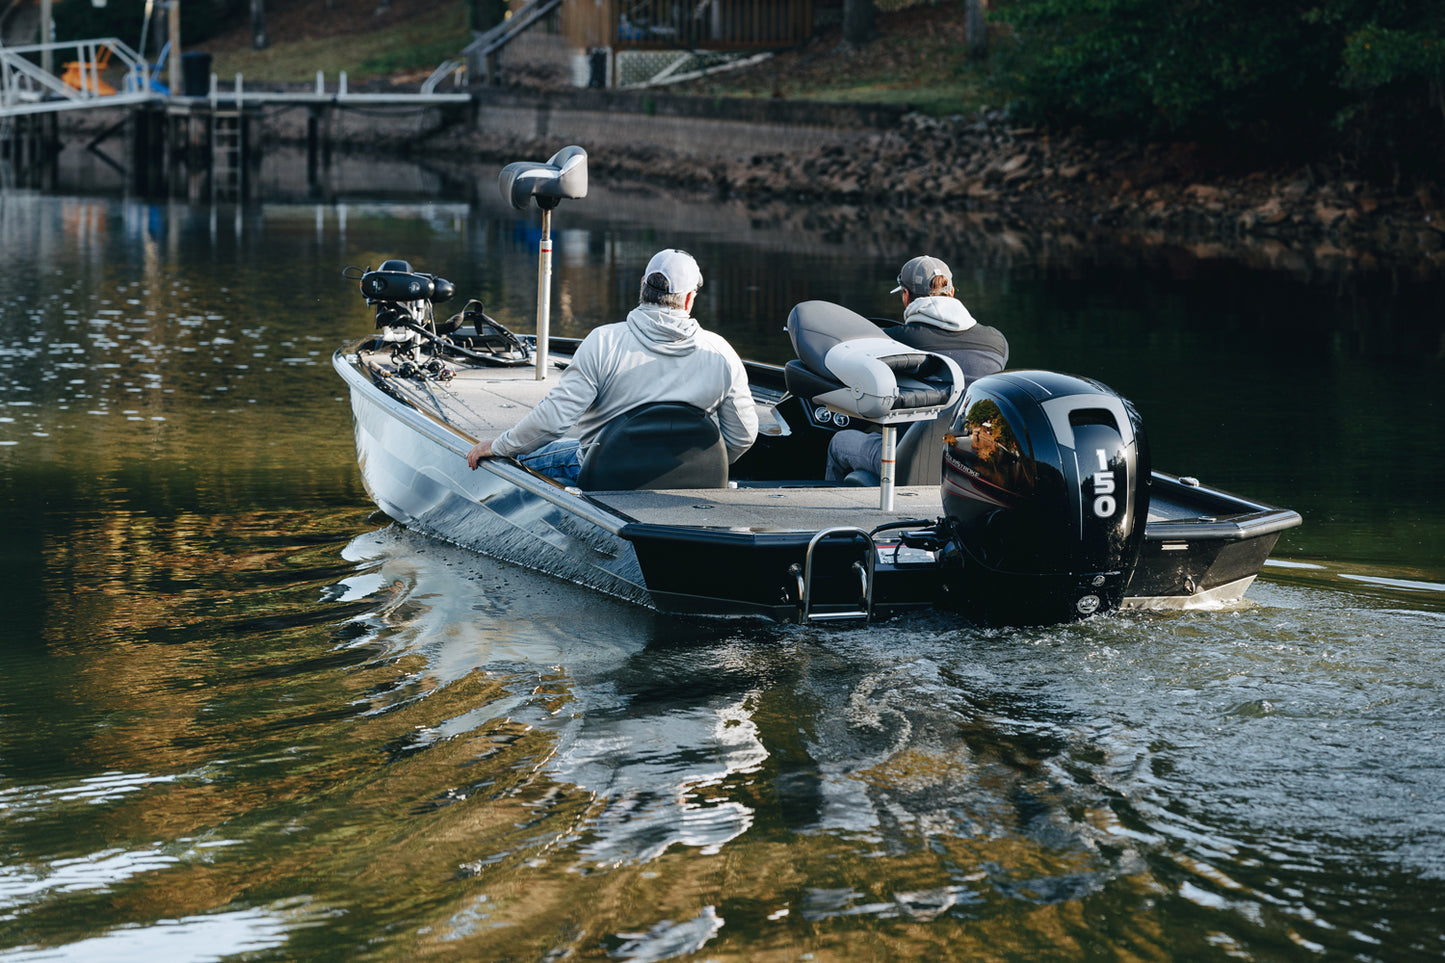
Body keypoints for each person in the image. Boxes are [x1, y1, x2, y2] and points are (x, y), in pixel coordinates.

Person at [466, 249, 759, 485]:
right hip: (690, 476)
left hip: (602, 473)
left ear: (643, 285)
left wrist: (499, 446)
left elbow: (553, 422)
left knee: (509, 460)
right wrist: (695, 464)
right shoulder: (721, 352)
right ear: (689, 298)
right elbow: (743, 435)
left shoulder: (604, 341)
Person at [825, 254, 1009, 483]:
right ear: (951, 293)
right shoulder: (996, 342)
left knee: (839, 443)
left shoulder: (892, 343)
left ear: (906, 296)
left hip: (908, 459)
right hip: (972, 461)